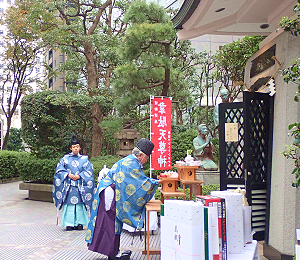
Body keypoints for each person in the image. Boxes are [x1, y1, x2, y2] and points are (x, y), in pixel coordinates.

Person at [86, 138, 160, 260]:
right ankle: (112, 254)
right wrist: (155, 183)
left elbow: (136, 182)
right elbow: (139, 184)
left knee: (112, 222)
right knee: (110, 223)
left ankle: (113, 252)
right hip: (109, 192)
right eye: (147, 157)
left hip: (111, 191)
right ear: (140, 155)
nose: (146, 161)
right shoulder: (131, 163)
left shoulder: (130, 161)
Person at [52, 135, 95, 231]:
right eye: (74, 147)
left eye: (77, 146)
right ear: (71, 148)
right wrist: (67, 175)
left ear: (80, 147)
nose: (75, 148)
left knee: (79, 204)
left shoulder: (85, 160)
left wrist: (80, 176)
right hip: (69, 186)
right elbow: (59, 170)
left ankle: (80, 223)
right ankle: (69, 223)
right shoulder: (65, 159)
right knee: (69, 205)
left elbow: (89, 171)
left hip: (80, 186)